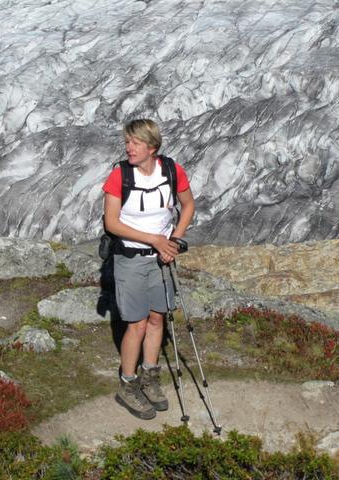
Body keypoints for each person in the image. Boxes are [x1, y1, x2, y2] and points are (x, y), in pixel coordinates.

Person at [102, 119, 195, 419]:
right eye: (127, 142)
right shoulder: (120, 176)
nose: (128, 148)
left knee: (157, 318)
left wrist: (174, 240)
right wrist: (155, 239)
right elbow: (112, 223)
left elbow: (188, 205)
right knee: (137, 324)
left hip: (161, 258)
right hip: (131, 258)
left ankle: (149, 377)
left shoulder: (171, 170)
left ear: (151, 147)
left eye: (135, 143)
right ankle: (128, 384)